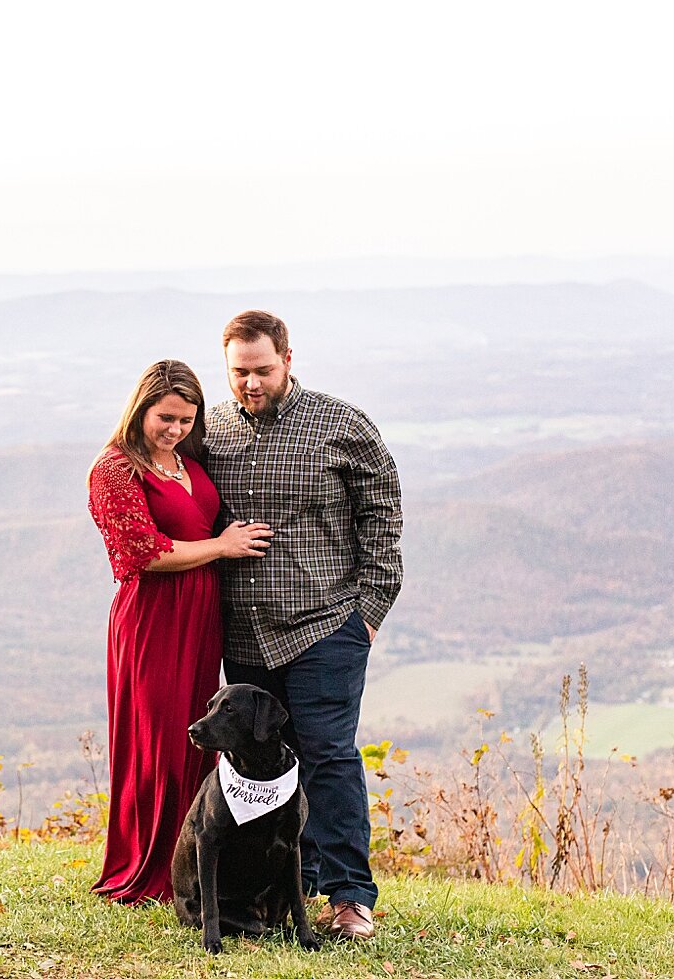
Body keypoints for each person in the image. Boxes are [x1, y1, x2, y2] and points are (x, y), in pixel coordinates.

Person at [203, 309, 403, 940]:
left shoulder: (341, 424)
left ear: (288, 358)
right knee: (259, 765)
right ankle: (286, 891)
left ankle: (349, 899)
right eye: (239, 372)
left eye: (262, 370)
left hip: (325, 625)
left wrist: (369, 612)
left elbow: (383, 513)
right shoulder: (206, 431)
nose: (251, 383)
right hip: (245, 635)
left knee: (327, 756)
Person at [86, 359, 272, 904]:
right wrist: (222, 547)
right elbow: (141, 554)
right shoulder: (115, 468)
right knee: (160, 740)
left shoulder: (186, 457)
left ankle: (196, 866)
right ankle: (149, 869)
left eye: (187, 421)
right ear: (141, 408)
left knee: (199, 741)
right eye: (165, 418)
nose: (174, 430)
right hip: (153, 617)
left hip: (201, 614)